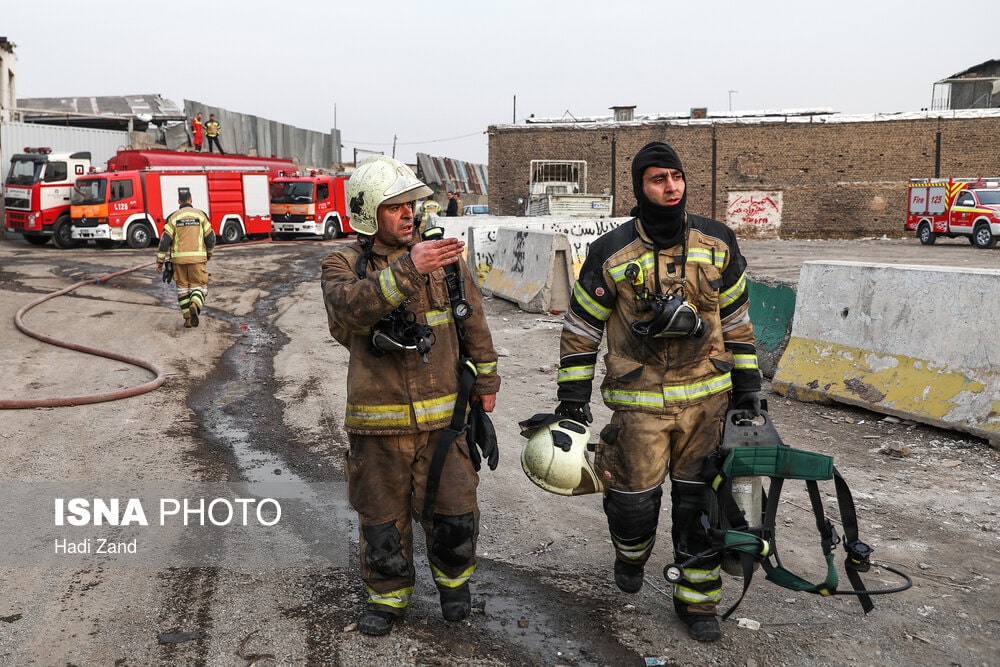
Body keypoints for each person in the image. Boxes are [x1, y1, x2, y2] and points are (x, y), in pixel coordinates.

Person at [552, 141, 761, 642]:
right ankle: (630, 553)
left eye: (676, 177)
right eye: (657, 179)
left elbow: (738, 322)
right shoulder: (610, 252)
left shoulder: (718, 243)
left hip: (707, 405)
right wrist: (573, 401)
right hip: (638, 406)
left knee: (700, 507)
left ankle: (697, 602)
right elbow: (581, 331)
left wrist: (749, 387)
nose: (670, 187)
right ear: (639, 187)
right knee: (633, 506)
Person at [320, 156, 501, 637]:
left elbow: (473, 323)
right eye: (395, 206)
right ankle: (387, 598)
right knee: (382, 521)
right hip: (377, 427)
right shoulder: (341, 265)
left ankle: (455, 589)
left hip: (445, 423)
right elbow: (351, 312)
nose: (408, 214)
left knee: (456, 514)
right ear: (366, 212)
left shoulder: (444, 261)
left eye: (412, 205)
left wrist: (486, 385)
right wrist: (407, 269)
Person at [156, 188, 215, 328]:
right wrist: (209, 254)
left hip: (178, 261)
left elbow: (165, 240)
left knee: (182, 289)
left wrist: (160, 261)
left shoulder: (173, 217)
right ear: (191, 200)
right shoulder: (201, 216)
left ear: (178, 201)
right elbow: (211, 238)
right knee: (199, 286)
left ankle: (188, 319)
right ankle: (195, 304)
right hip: (197, 260)